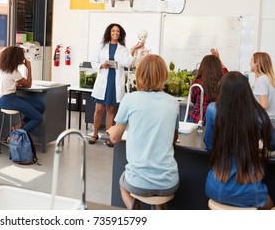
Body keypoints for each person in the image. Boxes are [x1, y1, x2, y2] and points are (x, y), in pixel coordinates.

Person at [108, 54, 180, 209]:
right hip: (169, 182)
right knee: (159, 197)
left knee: (123, 185)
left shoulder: (130, 99)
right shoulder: (173, 103)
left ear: (139, 75)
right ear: (164, 75)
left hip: (138, 181)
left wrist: (112, 129)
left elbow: (114, 138)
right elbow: (173, 139)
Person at [204, 71, 275, 209]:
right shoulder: (258, 115)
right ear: (247, 91)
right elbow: (272, 144)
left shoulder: (213, 110)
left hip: (214, 187)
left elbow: (209, 144)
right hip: (248, 191)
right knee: (270, 205)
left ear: (222, 90)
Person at [89, 23, 133, 147]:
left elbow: (128, 63)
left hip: (115, 81)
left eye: (118, 31)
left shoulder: (123, 49)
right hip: (104, 81)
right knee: (99, 109)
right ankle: (95, 133)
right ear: (109, 32)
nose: (115, 33)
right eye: (113, 31)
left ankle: (109, 136)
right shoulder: (102, 47)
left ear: (120, 34)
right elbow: (93, 61)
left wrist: (132, 51)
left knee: (111, 109)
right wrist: (101, 65)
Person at [0, 46, 44, 135]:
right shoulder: (14, 72)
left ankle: (20, 125)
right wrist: (29, 68)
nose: (23, 58)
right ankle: (14, 136)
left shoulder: (2, 69)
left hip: (5, 99)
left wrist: (12, 86)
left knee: (40, 106)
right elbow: (28, 84)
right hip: (9, 100)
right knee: (38, 118)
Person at [187, 49, 227, 125]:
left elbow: (193, 100)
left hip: (198, 119)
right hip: (215, 121)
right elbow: (227, 73)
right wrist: (219, 60)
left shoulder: (197, 83)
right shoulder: (222, 82)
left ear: (202, 66)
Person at [250, 52, 275, 125]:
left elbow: (263, 105)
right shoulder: (269, 79)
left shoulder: (261, 80)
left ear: (256, 63)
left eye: (251, 60)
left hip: (264, 122)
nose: (249, 63)